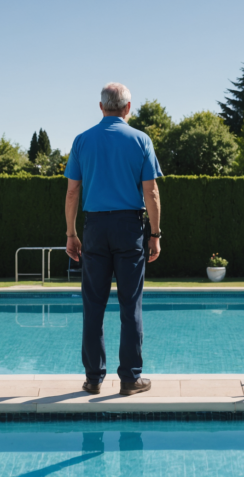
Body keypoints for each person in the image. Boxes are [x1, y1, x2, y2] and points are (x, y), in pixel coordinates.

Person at [64, 82, 163, 396]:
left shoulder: (82, 141)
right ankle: (130, 379)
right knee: (129, 305)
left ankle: (93, 379)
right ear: (128, 108)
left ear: (101, 106)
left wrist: (71, 233)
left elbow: (72, 192)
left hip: (94, 228)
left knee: (93, 305)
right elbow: (151, 192)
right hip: (128, 228)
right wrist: (155, 235)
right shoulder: (140, 140)